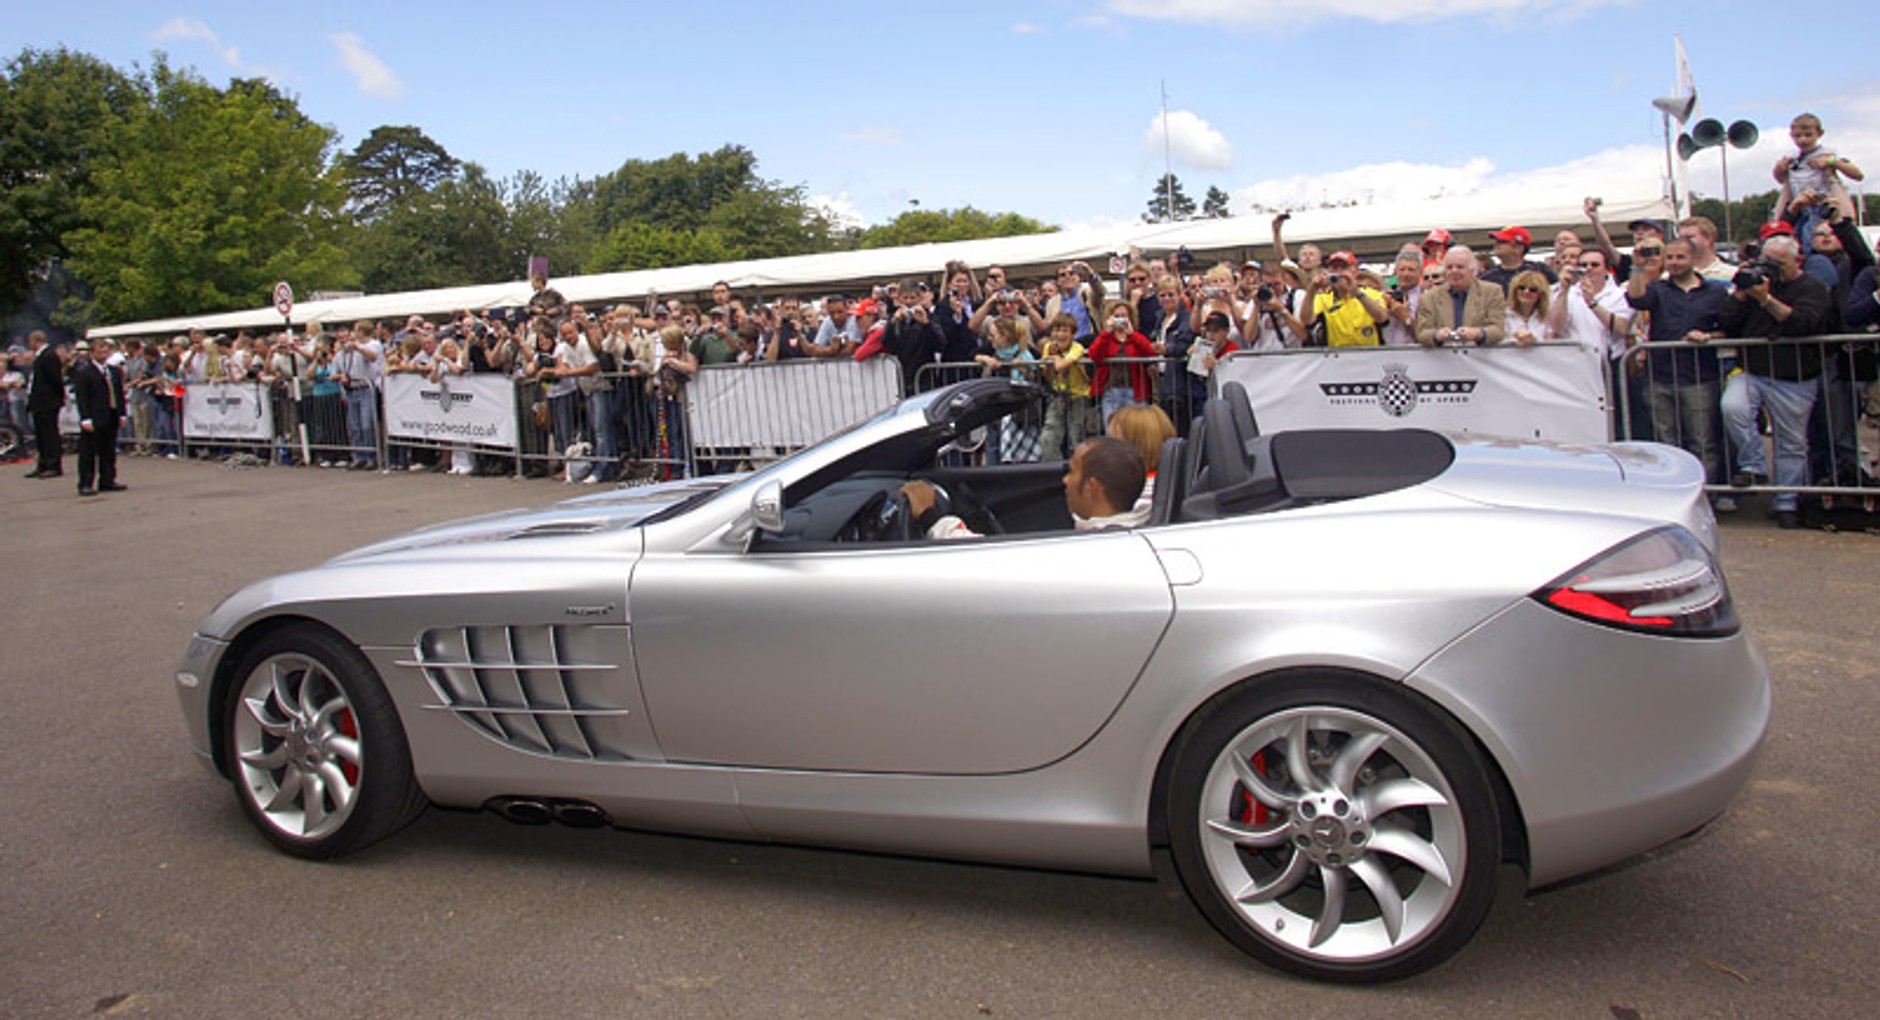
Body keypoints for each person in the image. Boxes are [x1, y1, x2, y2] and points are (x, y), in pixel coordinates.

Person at [1717, 234, 1834, 528]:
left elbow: (1802, 324)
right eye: (1766, 262)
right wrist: (1742, 293)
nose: (1771, 269)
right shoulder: (1754, 282)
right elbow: (1727, 321)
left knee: (1791, 443)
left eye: (1778, 264)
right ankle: (1754, 464)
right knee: (1733, 407)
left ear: (1798, 260)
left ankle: (1787, 502)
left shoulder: (1813, 287)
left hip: (1795, 375)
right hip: (1753, 369)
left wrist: (1766, 300)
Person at [1625, 238, 1729, 490]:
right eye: (1669, 257)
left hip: (1699, 377)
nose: (1673, 262)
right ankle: (1672, 493)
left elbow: (1729, 328)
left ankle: (1705, 494)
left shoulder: (1715, 291)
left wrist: (1708, 337)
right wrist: (1637, 267)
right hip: (1659, 376)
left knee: (1702, 441)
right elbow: (1636, 299)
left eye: (1680, 257)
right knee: (1666, 441)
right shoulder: (1659, 288)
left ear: (1693, 259)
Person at [901, 434, 1149, 539]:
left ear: (1093, 487)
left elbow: (992, 565)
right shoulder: (1127, 526)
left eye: (1072, 472)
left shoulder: (1097, 546)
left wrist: (930, 515)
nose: (1064, 480)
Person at [1773, 112, 1863, 256]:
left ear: (1819, 134)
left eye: (1808, 135)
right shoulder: (1792, 157)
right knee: (1799, 245)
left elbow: (1857, 174)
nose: (1803, 140)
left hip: (1823, 208)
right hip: (1802, 210)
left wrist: (1832, 162)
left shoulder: (1827, 153)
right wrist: (1779, 169)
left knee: (1817, 240)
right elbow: (1780, 179)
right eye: (1798, 136)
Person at [1414, 246, 1506, 346]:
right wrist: (1437, 335)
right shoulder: (1429, 297)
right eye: (1449, 267)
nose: (1454, 271)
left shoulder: (1492, 292)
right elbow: (1421, 333)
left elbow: (1498, 330)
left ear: (1473, 270)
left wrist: (1477, 333)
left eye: (1460, 267)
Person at [72, 338, 126, 496]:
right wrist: (85, 418)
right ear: (92, 353)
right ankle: (85, 483)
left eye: (106, 350)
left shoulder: (113, 371)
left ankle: (107, 480)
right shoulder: (84, 372)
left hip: (111, 415)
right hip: (94, 416)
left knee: (108, 450)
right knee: (88, 452)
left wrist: (121, 413)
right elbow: (82, 397)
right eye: (100, 351)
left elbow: (118, 394)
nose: (104, 353)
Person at [1302, 251, 1389, 347]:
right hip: (1338, 355)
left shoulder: (1371, 294)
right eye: (1335, 268)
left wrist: (1357, 293)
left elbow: (1382, 318)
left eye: (1343, 268)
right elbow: (1307, 320)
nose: (1339, 272)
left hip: (1369, 353)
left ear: (1355, 271)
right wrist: (1311, 289)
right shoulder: (1323, 298)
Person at [1107, 402, 1177, 513]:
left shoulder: (1144, 496)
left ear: (1138, 448)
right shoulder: (1167, 484)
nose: (1107, 450)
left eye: (1115, 443)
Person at [25, 331, 66, 479]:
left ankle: (54, 464)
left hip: (48, 402)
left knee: (50, 434)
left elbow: (55, 379)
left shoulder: (49, 356)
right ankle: (43, 463)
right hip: (38, 402)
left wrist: (59, 397)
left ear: (35, 341)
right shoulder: (40, 357)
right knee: (41, 435)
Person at [1481, 226, 1557, 292]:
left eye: (1502, 241)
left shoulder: (1540, 270)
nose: (1496, 244)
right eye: (1496, 241)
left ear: (1519, 248)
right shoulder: (1487, 277)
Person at [1502, 271, 1554, 346]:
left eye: (1533, 289)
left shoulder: (1547, 317)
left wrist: (1534, 340)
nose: (1526, 292)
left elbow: (1550, 345)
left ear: (1541, 295)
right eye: (1522, 288)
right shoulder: (1504, 315)